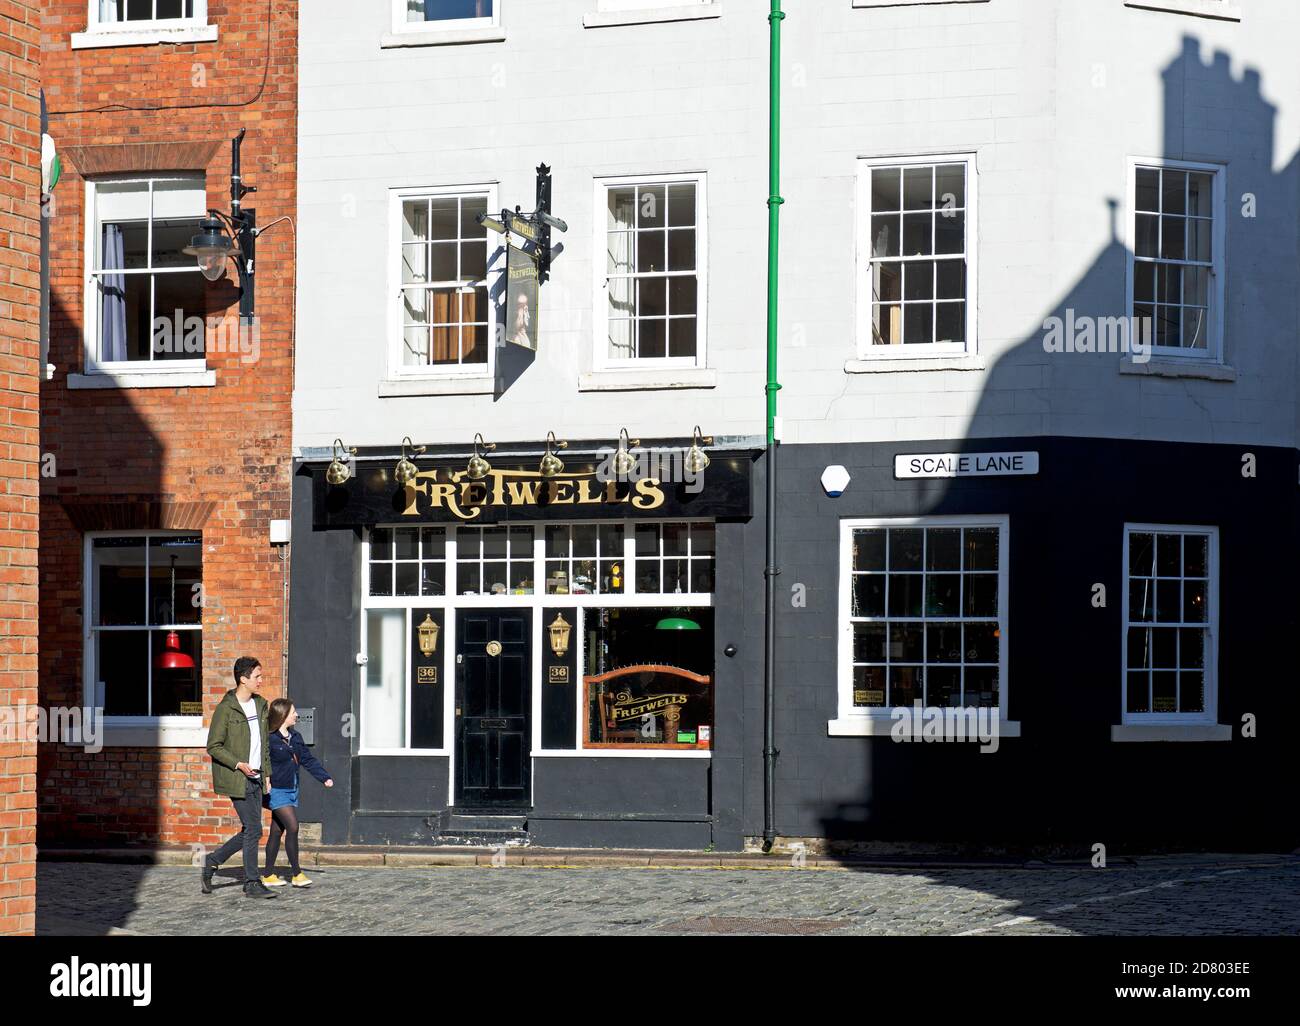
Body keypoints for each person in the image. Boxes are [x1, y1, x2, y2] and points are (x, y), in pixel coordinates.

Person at [202, 657, 276, 899]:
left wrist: (267, 774)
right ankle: (252, 882)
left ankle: (212, 861)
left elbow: (264, 745)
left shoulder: (260, 706)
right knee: (255, 829)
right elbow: (213, 745)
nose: (261, 681)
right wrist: (238, 764)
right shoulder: (226, 708)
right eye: (257, 676)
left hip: (256, 777)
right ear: (243, 679)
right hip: (238, 777)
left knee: (250, 830)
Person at [260, 698, 333, 888]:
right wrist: (264, 780)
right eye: (293, 712)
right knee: (292, 827)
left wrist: (324, 777)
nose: (297, 715)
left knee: (277, 831)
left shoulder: (296, 737)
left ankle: (268, 874)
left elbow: (307, 760)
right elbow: (261, 762)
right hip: (276, 790)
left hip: (292, 789)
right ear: (283, 715)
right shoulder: (269, 739)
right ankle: (297, 874)